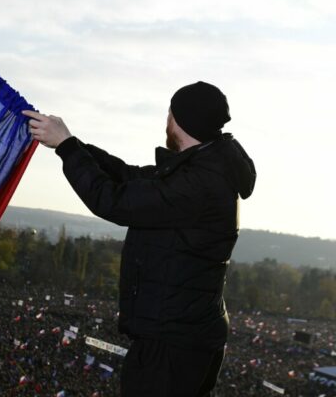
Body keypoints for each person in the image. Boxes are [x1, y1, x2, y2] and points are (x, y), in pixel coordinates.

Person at [23, 81, 256, 397]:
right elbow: (130, 177)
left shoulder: (198, 183)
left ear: (181, 121)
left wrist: (66, 147)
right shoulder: (206, 166)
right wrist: (72, 143)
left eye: (169, 113)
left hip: (172, 343)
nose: (167, 121)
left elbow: (114, 201)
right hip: (186, 333)